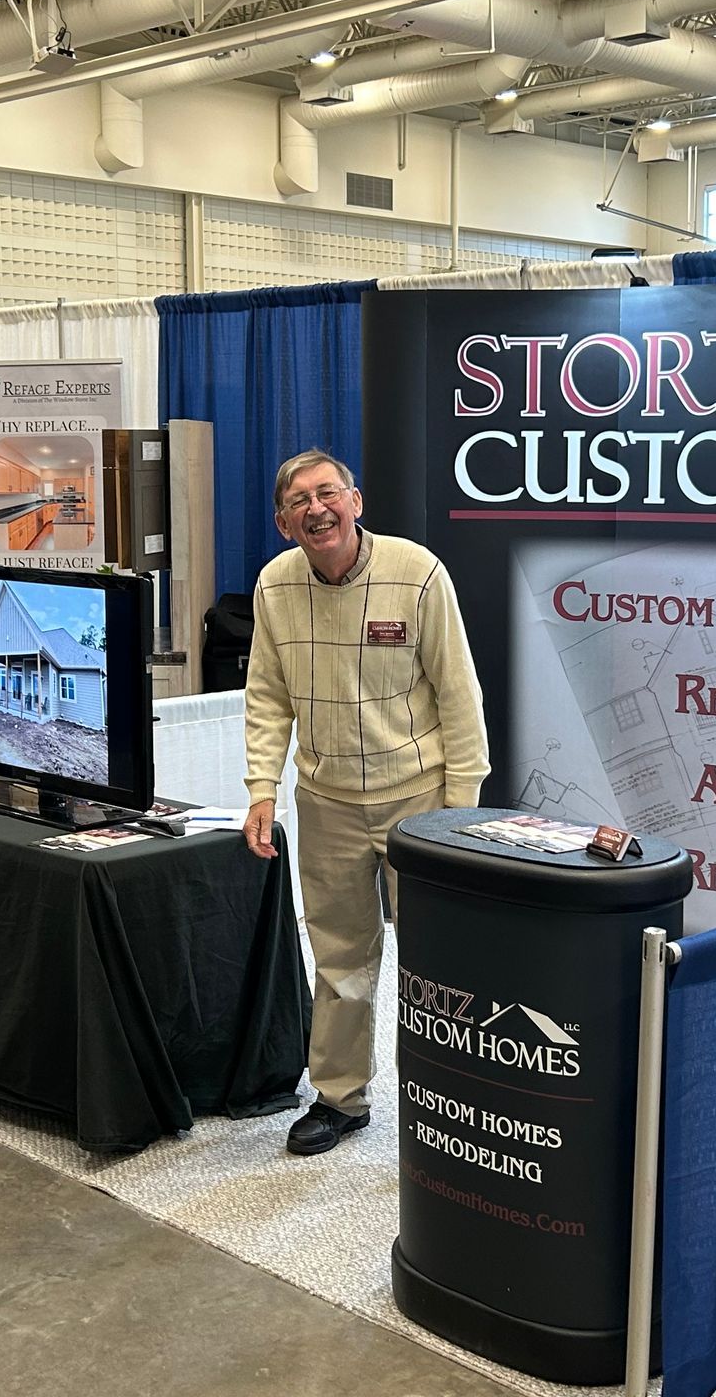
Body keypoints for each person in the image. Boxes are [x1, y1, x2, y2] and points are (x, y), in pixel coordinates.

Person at [242, 450, 489, 1156]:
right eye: (298, 502)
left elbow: (459, 697)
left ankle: (454, 1098)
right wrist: (262, 789)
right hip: (326, 803)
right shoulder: (273, 586)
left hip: (420, 801)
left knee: (441, 962)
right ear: (285, 523)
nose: (316, 509)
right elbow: (266, 697)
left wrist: (459, 813)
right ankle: (341, 1099)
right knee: (341, 959)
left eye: (327, 493)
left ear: (355, 500)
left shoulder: (417, 573)